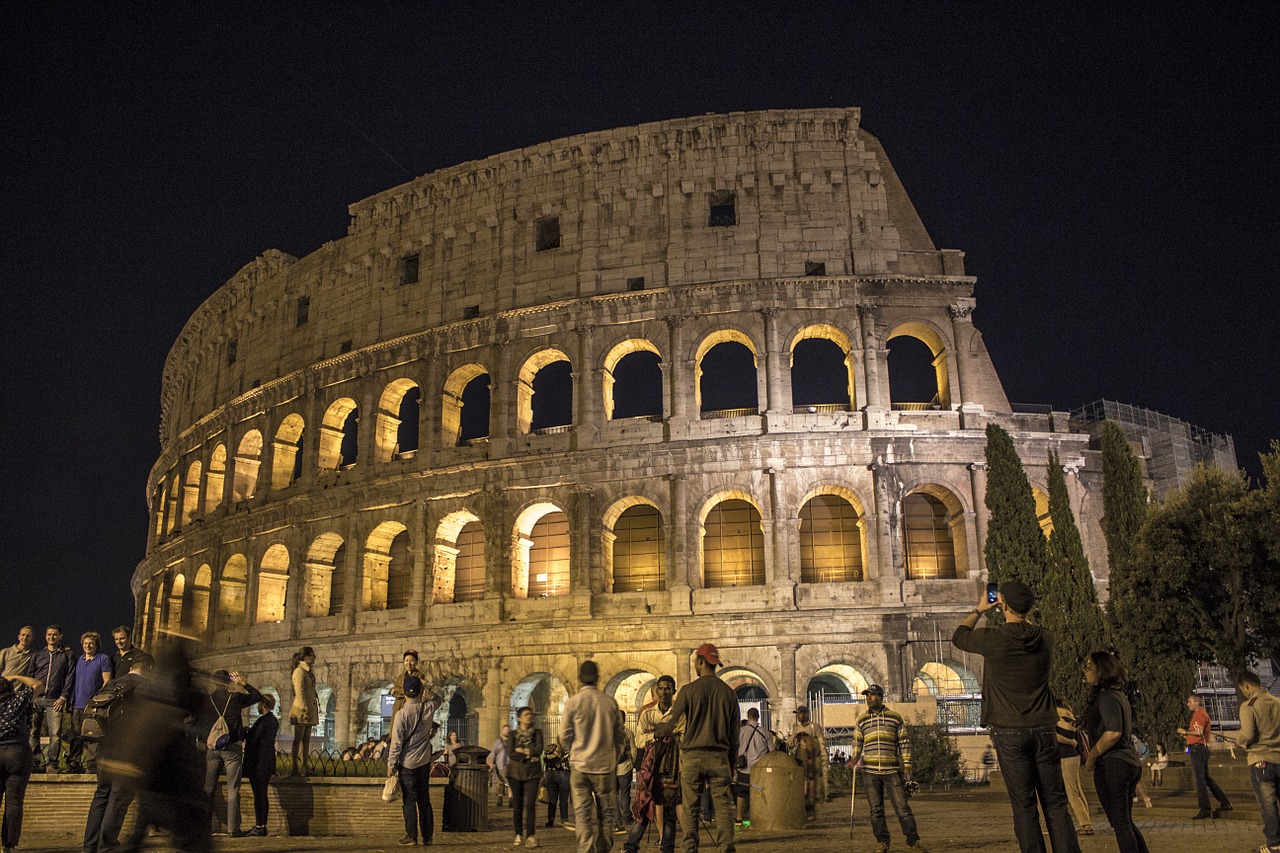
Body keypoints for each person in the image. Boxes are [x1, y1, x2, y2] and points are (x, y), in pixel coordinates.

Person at [951, 581, 1080, 853]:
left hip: (1009, 730)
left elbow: (960, 636)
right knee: (1056, 804)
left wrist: (980, 608)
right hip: (1044, 728)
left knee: (1024, 806)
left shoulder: (993, 639)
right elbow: (1026, 625)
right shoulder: (1046, 637)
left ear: (1003, 605)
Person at [655, 643, 739, 853]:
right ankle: (726, 847)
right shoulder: (729, 694)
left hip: (693, 756)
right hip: (720, 756)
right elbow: (734, 737)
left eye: (695, 661)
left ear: (701, 662)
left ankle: (690, 848)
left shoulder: (688, 691)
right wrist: (730, 763)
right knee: (723, 808)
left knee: (691, 808)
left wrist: (659, 730)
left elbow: (672, 724)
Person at [82, 654, 152, 853]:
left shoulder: (112, 684)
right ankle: (107, 846)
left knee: (102, 795)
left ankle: (89, 846)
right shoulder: (144, 686)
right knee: (119, 799)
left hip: (104, 748)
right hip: (127, 751)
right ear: (149, 669)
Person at [1081, 652, 1148, 853]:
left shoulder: (1107, 696)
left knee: (1120, 824)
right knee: (1124, 822)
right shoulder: (1117, 695)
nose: (1085, 669)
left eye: (1090, 665)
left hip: (1113, 764)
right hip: (1127, 762)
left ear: (1102, 670)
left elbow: (1113, 733)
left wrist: (1092, 756)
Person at [851, 684, 926, 853]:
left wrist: (907, 765)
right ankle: (882, 842)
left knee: (902, 808)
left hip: (892, 770)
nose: (868, 698)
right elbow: (857, 743)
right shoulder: (861, 720)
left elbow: (904, 743)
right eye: (866, 695)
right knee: (876, 810)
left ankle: (913, 841)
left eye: (872, 695)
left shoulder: (895, 718)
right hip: (870, 772)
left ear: (880, 696)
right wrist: (855, 758)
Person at [561, 659, 625, 853]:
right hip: (605, 767)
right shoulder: (609, 702)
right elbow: (620, 736)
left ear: (579, 679)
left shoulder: (573, 703)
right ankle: (603, 849)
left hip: (580, 766)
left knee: (582, 816)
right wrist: (614, 755)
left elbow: (564, 735)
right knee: (606, 815)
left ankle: (586, 850)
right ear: (598, 678)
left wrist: (572, 751)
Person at [198, 669, 263, 837]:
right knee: (233, 789)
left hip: (212, 748)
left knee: (208, 788)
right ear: (228, 682)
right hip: (232, 747)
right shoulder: (235, 698)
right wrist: (243, 683)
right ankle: (233, 829)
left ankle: (204, 827)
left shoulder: (208, 699)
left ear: (214, 682)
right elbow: (257, 696)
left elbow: (201, 722)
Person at [624, 675, 680, 853]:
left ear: (674, 691)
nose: (664, 692)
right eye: (661, 688)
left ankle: (667, 847)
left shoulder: (679, 713)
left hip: (672, 767)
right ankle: (631, 846)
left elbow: (683, 736)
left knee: (669, 811)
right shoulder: (647, 714)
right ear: (656, 691)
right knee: (645, 808)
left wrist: (662, 733)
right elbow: (640, 740)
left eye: (668, 688)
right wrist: (657, 735)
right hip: (651, 768)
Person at [388, 674, 439, 847]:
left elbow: (396, 742)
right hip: (424, 761)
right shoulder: (428, 707)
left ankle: (411, 836)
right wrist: (428, 684)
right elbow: (440, 696)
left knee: (409, 800)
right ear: (420, 691)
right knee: (424, 799)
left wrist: (391, 764)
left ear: (405, 693)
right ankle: (428, 836)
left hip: (406, 763)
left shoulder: (401, 714)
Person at [1235, 670, 1280, 853]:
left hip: (1261, 760)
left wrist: (1239, 741)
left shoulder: (1249, 706)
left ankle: (1274, 844)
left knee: (1268, 805)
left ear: (1246, 686)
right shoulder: (1277, 702)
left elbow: (1248, 734)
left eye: (1243, 689)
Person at [1, 670, 42, 853]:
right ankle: (8, 846)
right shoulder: (17, 700)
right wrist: (15, 677)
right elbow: (37, 684)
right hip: (17, 752)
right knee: (14, 802)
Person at [1177, 693, 1232, 819]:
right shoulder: (1197, 715)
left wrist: (1185, 731)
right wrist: (1187, 736)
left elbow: (1199, 731)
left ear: (1197, 702)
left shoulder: (1200, 714)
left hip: (1198, 749)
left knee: (1200, 779)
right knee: (1206, 778)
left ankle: (1205, 808)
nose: (1188, 704)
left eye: (1190, 701)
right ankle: (1224, 802)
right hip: (1198, 747)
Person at [28, 626, 74, 772]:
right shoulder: (38, 655)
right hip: (37, 699)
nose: (51, 637)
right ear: (45, 636)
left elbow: (70, 676)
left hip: (55, 699)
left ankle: (51, 763)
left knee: (55, 733)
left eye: (55, 635)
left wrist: (63, 697)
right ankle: (33, 763)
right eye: (49, 634)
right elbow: (30, 676)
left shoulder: (66, 654)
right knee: (33, 732)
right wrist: (31, 696)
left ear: (60, 636)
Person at [68, 632, 113, 774]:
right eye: (85, 643)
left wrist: (99, 700)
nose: (88, 646)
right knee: (76, 736)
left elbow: (107, 681)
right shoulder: (78, 660)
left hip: (93, 705)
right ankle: (74, 763)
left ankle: (91, 765)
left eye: (91, 643)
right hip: (77, 704)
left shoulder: (103, 659)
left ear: (96, 645)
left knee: (92, 736)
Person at [243, 694, 279, 837]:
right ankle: (262, 825)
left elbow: (254, 738)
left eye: (259, 704)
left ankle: (259, 826)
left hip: (258, 762)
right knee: (262, 794)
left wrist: (246, 732)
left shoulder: (263, 720)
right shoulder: (274, 720)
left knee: (259, 795)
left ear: (263, 705)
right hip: (268, 760)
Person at [508, 706, 544, 848]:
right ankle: (518, 833)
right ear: (519, 718)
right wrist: (528, 754)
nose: (530, 717)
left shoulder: (537, 733)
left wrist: (522, 751)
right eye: (526, 714)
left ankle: (530, 834)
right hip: (515, 773)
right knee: (518, 805)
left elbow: (539, 749)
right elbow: (511, 752)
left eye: (531, 714)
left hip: (533, 773)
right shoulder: (512, 734)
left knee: (530, 805)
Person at [1054, 700, 1092, 836]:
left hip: (1064, 757)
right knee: (1077, 789)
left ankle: (1085, 824)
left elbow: (1055, 737)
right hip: (1074, 757)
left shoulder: (1056, 716)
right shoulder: (1070, 716)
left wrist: (1070, 742)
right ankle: (1086, 820)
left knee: (1072, 792)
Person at [735, 707, 771, 826]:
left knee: (741, 793)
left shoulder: (741, 731)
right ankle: (758, 817)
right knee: (759, 793)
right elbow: (772, 751)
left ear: (748, 716)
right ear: (758, 716)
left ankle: (739, 817)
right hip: (759, 769)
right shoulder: (765, 733)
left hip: (744, 768)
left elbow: (735, 747)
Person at [789, 705, 826, 819]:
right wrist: (794, 738)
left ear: (806, 714)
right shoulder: (796, 728)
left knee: (811, 786)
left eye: (800, 714)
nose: (798, 716)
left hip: (811, 760)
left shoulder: (814, 727)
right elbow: (790, 743)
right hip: (799, 760)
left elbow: (821, 743)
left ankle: (811, 811)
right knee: (800, 785)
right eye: (797, 714)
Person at [288, 647, 318, 777]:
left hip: (308, 709)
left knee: (306, 739)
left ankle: (305, 767)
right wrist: (304, 710)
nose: (314, 658)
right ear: (305, 657)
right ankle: (295, 767)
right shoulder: (299, 671)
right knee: (298, 739)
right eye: (311, 656)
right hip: (301, 709)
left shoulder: (307, 671)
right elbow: (299, 692)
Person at [542, 738, 572, 830]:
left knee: (552, 799)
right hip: (563, 773)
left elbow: (544, 761)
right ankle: (564, 819)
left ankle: (550, 820)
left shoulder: (550, 747)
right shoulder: (567, 749)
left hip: (549, 774)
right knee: (563, 799)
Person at [389, 650, 422, 725]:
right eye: (406, 660)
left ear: (416, 662)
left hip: (409, 708)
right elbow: (395, 694)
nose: (409, 663)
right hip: (398, 707)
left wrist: (397, 690)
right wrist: (403, 691)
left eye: (412, 661)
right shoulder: (400, 677)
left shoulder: (419, 676)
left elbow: (414, 693)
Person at [615, 710, 635, 832]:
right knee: (625, 794)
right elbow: (634, 750)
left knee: (613, 795)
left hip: (612, 768)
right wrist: (631, 763)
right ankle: (627, 816)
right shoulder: (628, 733)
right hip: (625, 767)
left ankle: (617, 819)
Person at [488, 723, 511, 807]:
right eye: (505, 730)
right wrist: (491, 764)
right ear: (502, 731)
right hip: (500, 766)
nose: (507, 731)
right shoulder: (497, 742)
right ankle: (500, 797)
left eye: (508, 730)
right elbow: (493, 754)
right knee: (499, 783)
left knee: (510, 783)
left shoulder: (512, 742)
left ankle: (510, 798)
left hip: (510, 766)